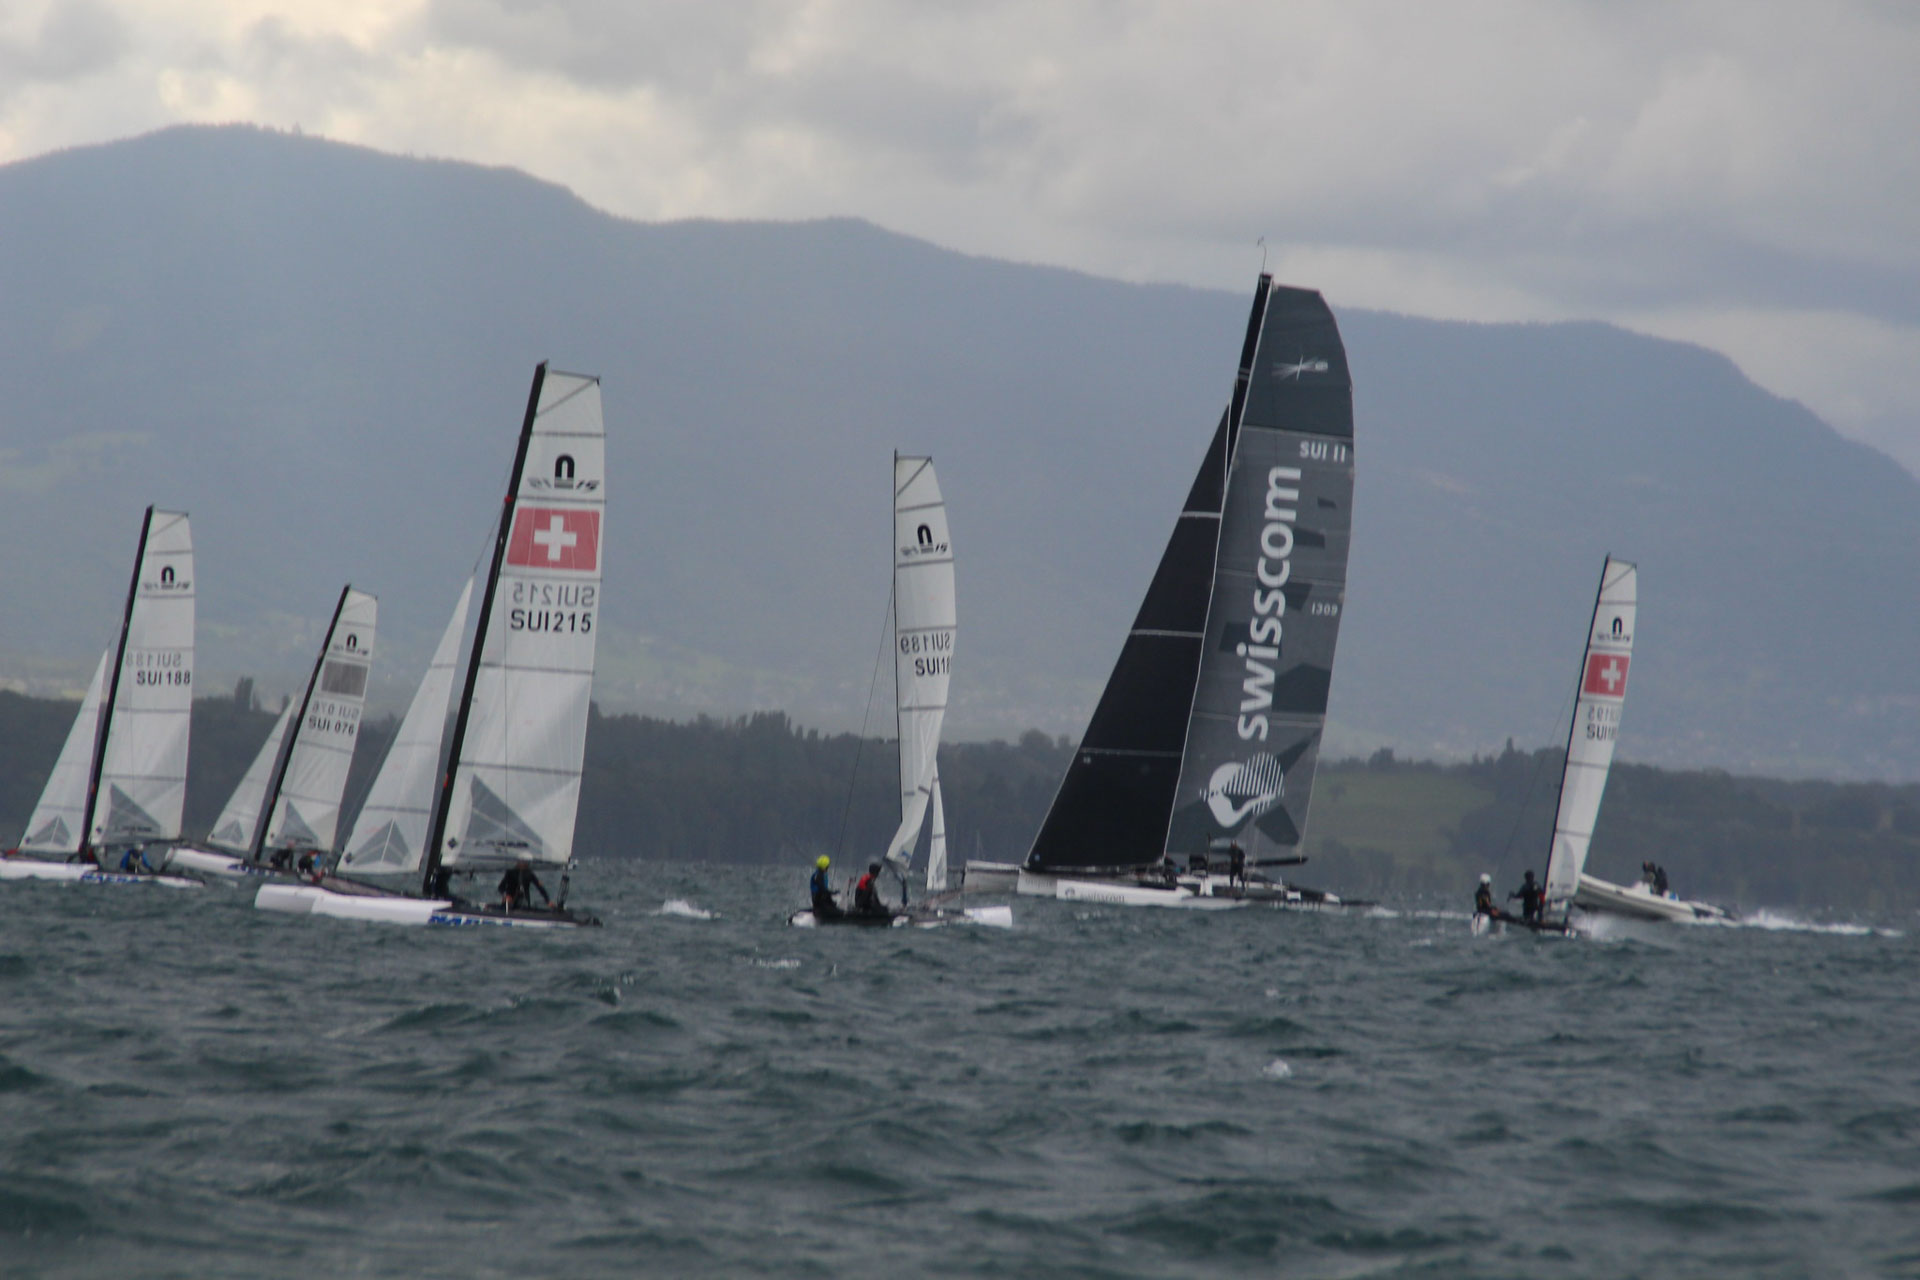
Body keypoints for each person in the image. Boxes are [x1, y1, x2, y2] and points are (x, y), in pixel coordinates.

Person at [809, 855, 842, 920]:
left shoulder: (820, 874)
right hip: (819, 902)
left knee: (833, 904)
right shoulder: (819, 875)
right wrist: (833, 892)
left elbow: (824, 891)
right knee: (832, 906)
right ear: (825, 866)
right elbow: (822, 890)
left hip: (821, 900)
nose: (828, 867)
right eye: (827, 866)